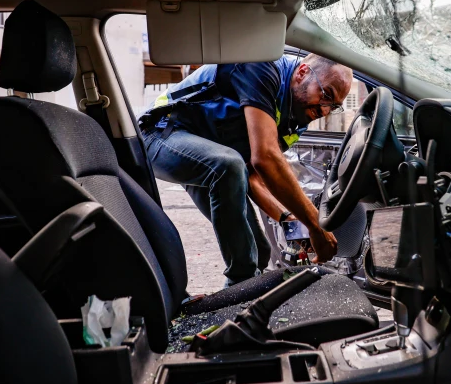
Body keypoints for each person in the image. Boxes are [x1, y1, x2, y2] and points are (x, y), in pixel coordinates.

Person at [139, 52, 353, 286]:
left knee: (258, 252)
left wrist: (291, 222)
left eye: (334, 107)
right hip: (160, 133)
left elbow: (255, 173)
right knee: (228, 166)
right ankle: (239, 290)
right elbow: (265, 158)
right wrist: (315, 226)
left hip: (212, 159)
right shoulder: (262, 65)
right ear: (302, 73)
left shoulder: (297, 118)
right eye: (326, 95)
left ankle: (240, 295)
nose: (324, 110)